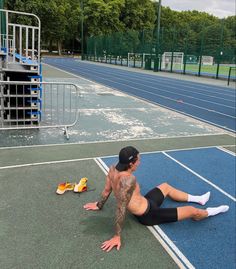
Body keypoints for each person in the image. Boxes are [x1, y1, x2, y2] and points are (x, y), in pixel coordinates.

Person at [83, 146, 229, 252]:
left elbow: (107, 189)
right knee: (192, 212)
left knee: (165, 186)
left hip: (146, 202)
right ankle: (208, 212)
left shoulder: (112, 168)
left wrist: (99, 204)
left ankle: (199, 199)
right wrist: (116, 236)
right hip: (149, 215)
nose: (140, 161)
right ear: (131, 163)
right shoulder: (128, 180)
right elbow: (121, 208)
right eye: (138, 160)